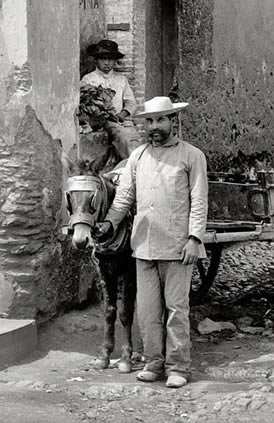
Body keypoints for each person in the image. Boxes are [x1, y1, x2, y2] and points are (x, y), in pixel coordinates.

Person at [99, 96, 208, 389]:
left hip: (177, 247)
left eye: (161, 120)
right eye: (149, 121)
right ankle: (153, 362)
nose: (155, 126)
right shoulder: (138, 157)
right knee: (147, 312)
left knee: (176, 309)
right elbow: (124, 199)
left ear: (174, 121)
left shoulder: (191, 156)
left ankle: (178, 366)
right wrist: (108, 222)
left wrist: (194, 239)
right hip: (144, 247)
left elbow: (199, 201)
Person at [81, 40, 139, 162]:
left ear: (115, 61)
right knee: (123, 136)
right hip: (100, 122)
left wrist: (123, 114)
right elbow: (82, 104)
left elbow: (131, 102)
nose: (107, 63)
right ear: (96, 60)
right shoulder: (88, 79)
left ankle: (135, 168)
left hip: (119, 120)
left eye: (111, 59)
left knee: (135, 140)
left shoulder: (121, 79)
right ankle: (132, 169)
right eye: (103, 59)